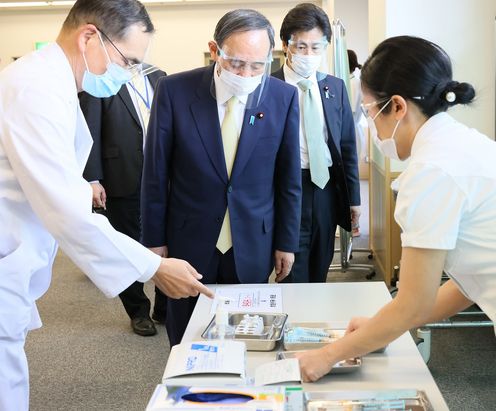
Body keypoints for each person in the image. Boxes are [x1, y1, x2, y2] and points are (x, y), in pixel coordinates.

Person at [0, 1, 213, 409]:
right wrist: (153, 267)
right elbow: (65, 209)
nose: (130, 72)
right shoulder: (35, 89)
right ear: (89, 37)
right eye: (128, 60)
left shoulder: (55, 84)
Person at [296, 35, 496, 382]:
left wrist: (327, 356)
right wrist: (377, 328)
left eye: (371, 112)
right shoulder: (465, 143)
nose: (372, 126)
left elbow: (414, 304)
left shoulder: (432, 172)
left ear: (398, 106)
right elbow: (469, 283)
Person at [141, 9, 302, 345]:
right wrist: (154, 242)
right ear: (215, 50)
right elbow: (156, 173)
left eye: (257, 65)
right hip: (189, 238)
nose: (246, 73)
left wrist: (286, 241)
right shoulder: (174, 91)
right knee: (187, 335)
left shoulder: (281, 96)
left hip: (253, 239)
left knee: (249, 336)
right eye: (235, 63)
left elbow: (288, 179)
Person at [272, 3, 360, 283]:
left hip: (325, 187)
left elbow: (347, 146)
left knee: (321, 264)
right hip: (287, 188)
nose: (309, 54)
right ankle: (292, 322)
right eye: (301, 46)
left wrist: (354, 199)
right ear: (286, 45)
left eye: (316, 47)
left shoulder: (334, 87)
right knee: (291, 268)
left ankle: (313, 324)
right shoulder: (268, 88)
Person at [80, 65, 168, 337]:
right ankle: (138, 311)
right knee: (126, 245)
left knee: (167, 241)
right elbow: (89, 131)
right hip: (121, 174)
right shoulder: (101, 80)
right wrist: (93, 178)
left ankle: (164, 305)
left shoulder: (159, 77)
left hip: (162, 175)